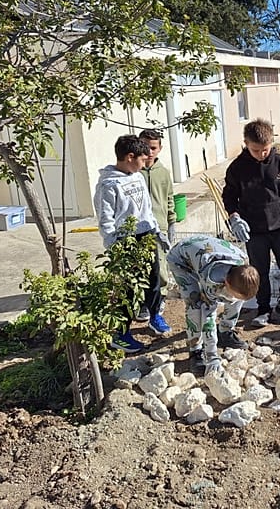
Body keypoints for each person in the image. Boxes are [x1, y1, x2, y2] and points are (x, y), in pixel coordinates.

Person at [222, 119, 280, 328]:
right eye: (256, 150)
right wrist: (234, 218)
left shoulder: (279, 162)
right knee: (259, 272)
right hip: (254, 230)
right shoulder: (237, 168)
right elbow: (229, 197)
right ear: (246, 143)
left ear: (271, 143)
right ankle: (263, 309)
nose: (262, 154)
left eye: (265, 150)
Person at [93, 134, 172, 353]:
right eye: (142, 159)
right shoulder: (108, 185)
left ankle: (155, 315)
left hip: (146, 236)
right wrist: (114, 246)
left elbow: (146, 209)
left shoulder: (137, 176)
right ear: (129, 157)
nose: (145, 163)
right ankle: (121, 333)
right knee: (127, 289)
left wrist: (157, 230)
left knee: (154, 279)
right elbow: (105, 220)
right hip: (125, 240)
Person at [167, 235, 260, 374]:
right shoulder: (211, 282)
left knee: (235, 298)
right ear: (226, 282)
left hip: (206, 254)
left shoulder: (242, 267)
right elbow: (208, 315)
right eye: (231, 291)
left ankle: (225, 332)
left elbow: (237, 295)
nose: (233, 297)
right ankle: (195, 350)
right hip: (181, 260)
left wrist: (233, 297)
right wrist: (212, 356)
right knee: (195, 305)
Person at [137, 129, 177, 322]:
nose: (149, 151)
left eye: (153, 147)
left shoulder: (163, 173)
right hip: (137, 227)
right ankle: (143, 303)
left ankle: (159, 299)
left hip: (159, 227)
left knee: (160, 267)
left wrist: (171, 223)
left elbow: (169, 198)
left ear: (160, 148)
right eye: (145, 147)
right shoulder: (134, 172)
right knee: (141, 267)